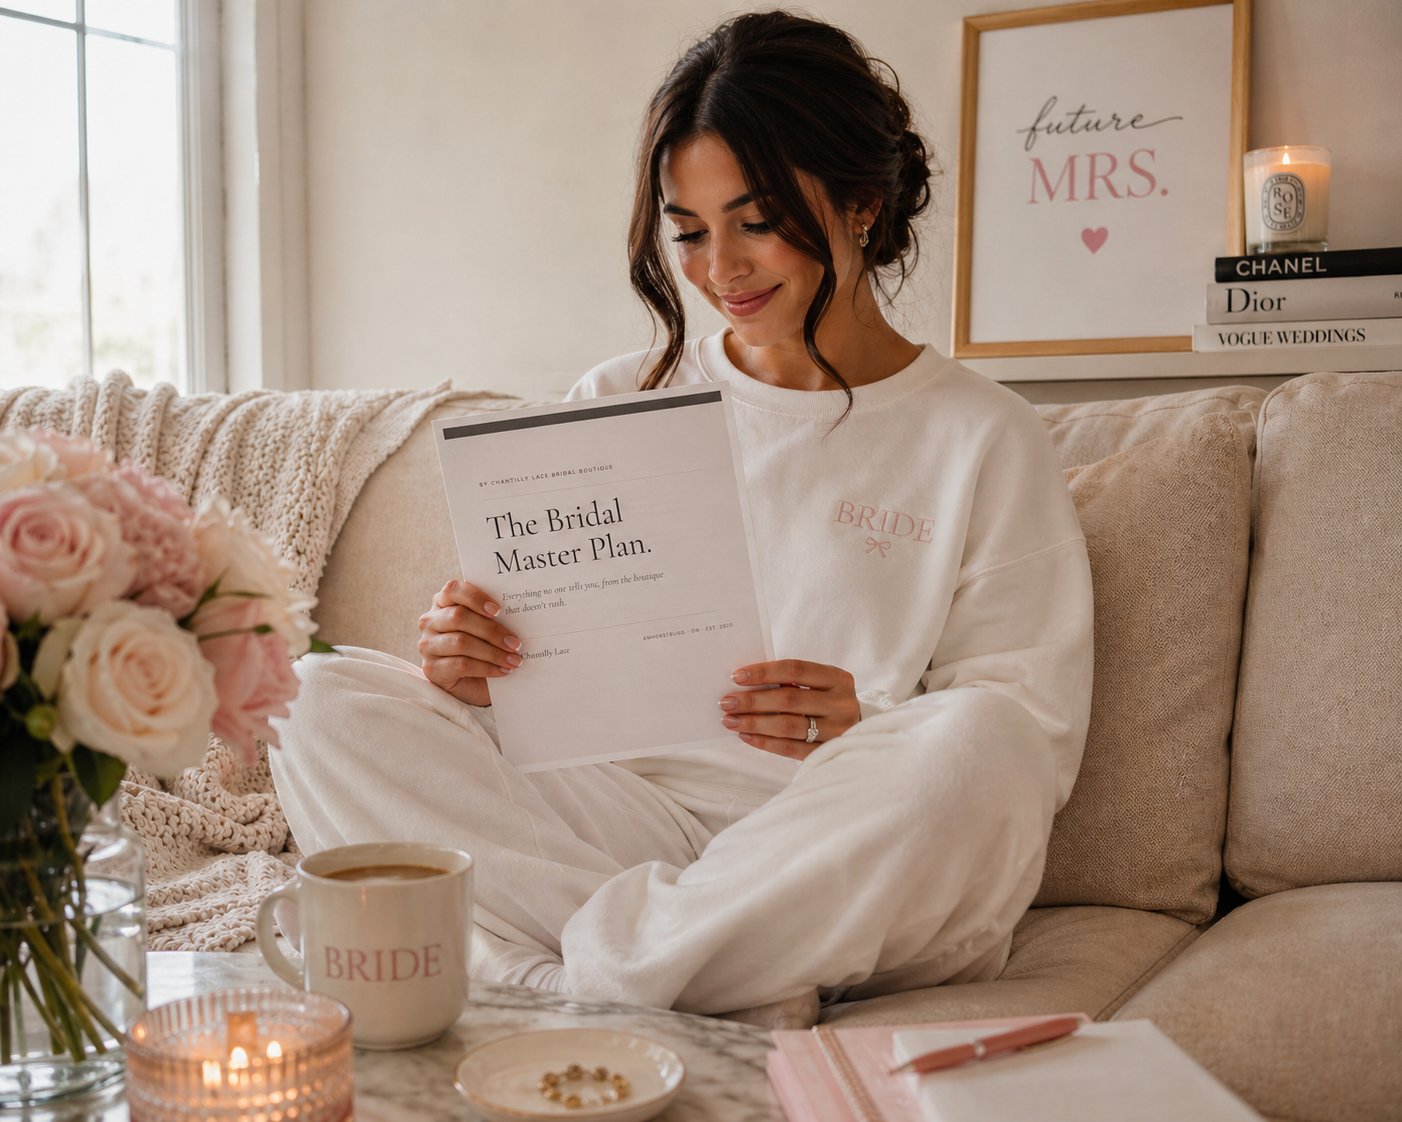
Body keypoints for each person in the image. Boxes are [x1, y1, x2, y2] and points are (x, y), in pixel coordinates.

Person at [271, 10, 1092, 1023]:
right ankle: (703, 972)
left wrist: (863, 725)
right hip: (614, 823)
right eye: (691, 232)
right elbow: (540, 687)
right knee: (310, 696)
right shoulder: (619, 394)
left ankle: (579, 972)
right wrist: (469, 668)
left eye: (756, 222)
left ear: (862, 204)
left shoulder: (982, 435)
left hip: (831, 844)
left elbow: (1031, 739)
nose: (720, 272)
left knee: (980, 740)